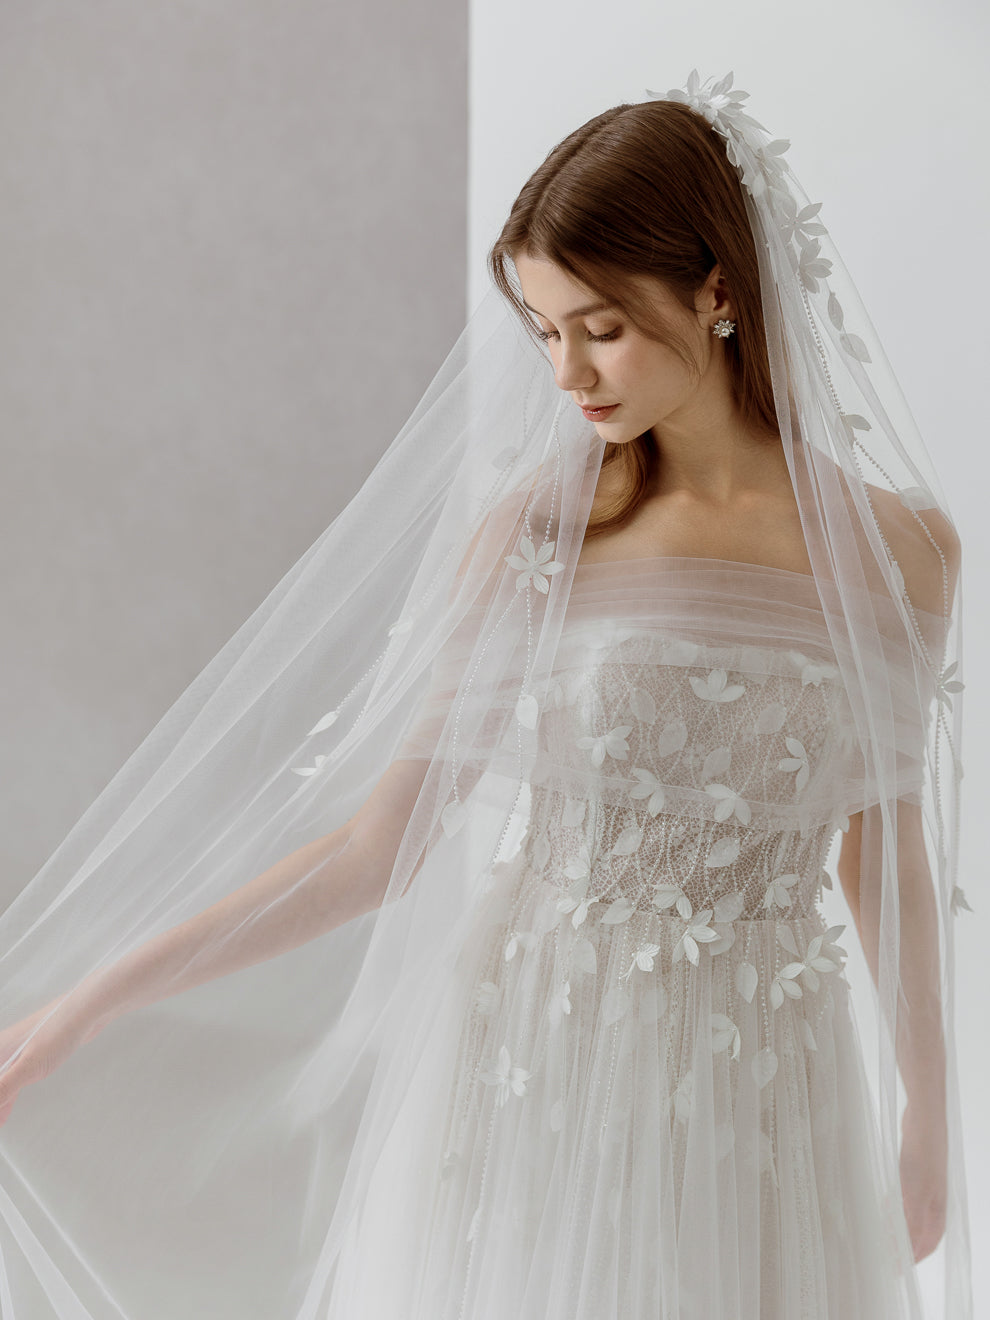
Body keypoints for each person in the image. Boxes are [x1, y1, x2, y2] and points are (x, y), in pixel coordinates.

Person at [0, 72, 972, 1319]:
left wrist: (929, 1108)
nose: (568, 373)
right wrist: (90, 1002)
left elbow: (882, 853)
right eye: (545, 331)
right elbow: (378, 851)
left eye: (601, 327)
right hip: (542, 1058)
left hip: (767, 1083)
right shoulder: (542, 533)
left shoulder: (903, 554)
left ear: (718, 291)